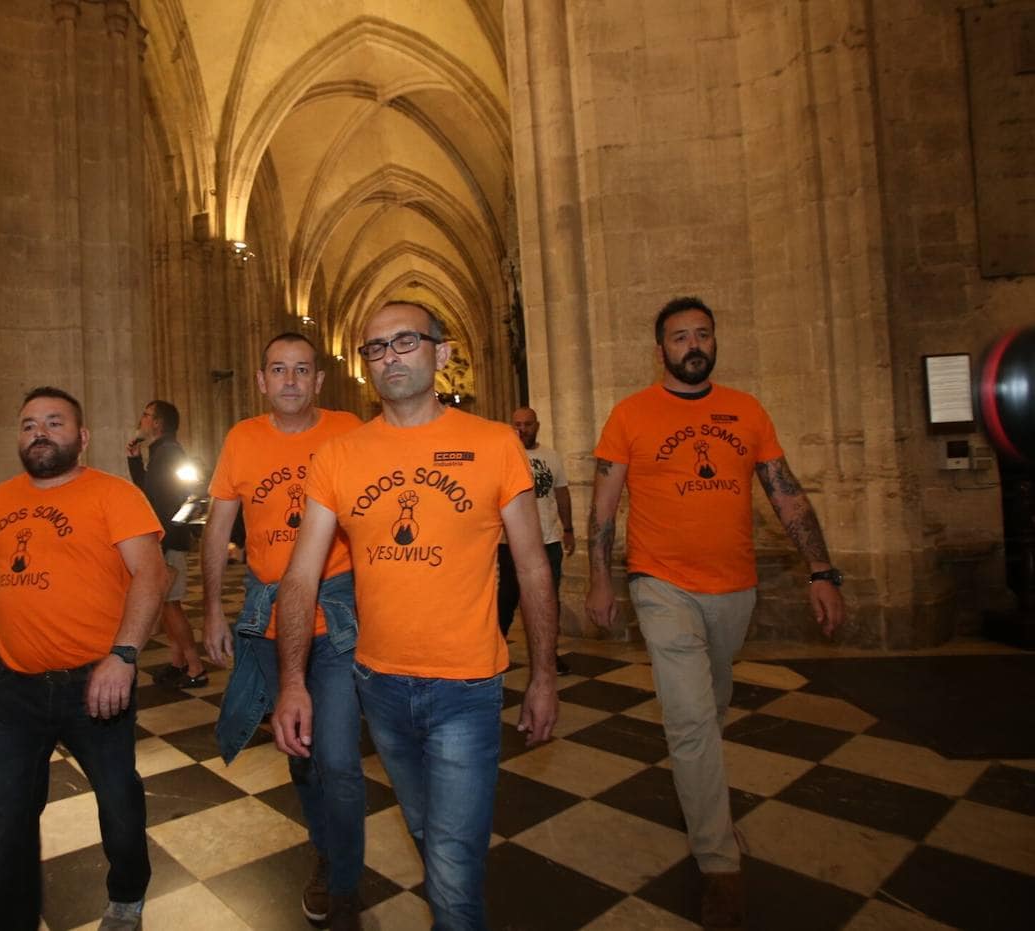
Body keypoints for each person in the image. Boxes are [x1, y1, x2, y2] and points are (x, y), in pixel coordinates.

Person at [272, 301, 559, 930]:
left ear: (442, 353)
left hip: (467, 686)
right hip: (379, 684)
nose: (389, 357)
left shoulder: (492, 443)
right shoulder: (340, 457)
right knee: (429, 831)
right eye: (375, 348)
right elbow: (300, 576)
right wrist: (293, 680)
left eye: (405, 341)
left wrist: (543, 676)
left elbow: (533, 568)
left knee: (453, 875)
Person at [584, 296, 847, 929]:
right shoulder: (630, 415)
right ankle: (718, 863)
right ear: (661, 350)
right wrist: (600, 579)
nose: (693, 345)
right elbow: (602, 509)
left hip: (735, 589)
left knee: (713, 706)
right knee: (692, 719)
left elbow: (786, 495)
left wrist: (822, 569)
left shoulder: (748, 411)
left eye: (702, 334)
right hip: (660, 585)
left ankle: (697, 789)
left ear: (714, 341)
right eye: (679, 337)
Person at [0, 386, 167, 931]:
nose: (40, 433)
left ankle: (126, 895)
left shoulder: (113, 494)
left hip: (94, 684)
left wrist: (124, 656)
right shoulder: (0, 499)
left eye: (54, 423)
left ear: (82, 437)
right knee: (7, 816)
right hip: (15, 687)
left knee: (118, 803)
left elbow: (152, 573)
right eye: (29, 424)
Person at [202, 332, 366, 928]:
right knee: (299, 751)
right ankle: (326, 848)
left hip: (337, 609)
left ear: (319, 380)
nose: (291, 380)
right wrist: (215, 611)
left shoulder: (348, 428)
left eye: (302, 370)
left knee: (339, 756)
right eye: (279, 370)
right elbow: (218, 527)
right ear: (262, 380)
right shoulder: (242, 439)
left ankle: (345, 881)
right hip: (270, 613)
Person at [127, 400, 207, 688]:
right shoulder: (162, 452)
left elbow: (163, 504)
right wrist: (135, 459)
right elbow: (149, 494)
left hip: (167, 541)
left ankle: (195, 667)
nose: (142, 420)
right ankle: (178, 662)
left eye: (146, 415)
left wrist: (159, 543)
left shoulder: (168, 453)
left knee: (172, 606)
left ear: (158, 424)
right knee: (168, 605)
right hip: (167, 539)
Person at [498, 406, 575, 675]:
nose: (522, 429)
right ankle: (496, 651)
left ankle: (549, 655)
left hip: (548, 538)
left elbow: (562, 494)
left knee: (549, 599)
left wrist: (569, 529)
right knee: (506, 598)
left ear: (537, 426)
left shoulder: (551, 456)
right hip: (510, 541)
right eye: (517, 424)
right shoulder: (504, 455)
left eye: (527, 424)